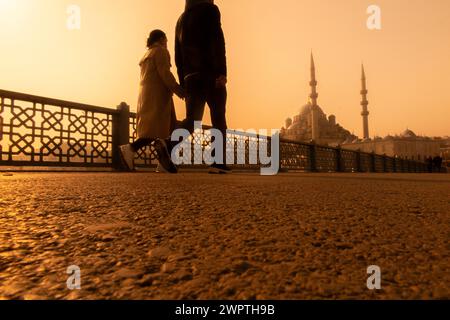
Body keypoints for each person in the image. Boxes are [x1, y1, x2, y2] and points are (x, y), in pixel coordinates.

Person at [175, 0, 231, 174]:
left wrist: (183, 80)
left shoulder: (181, 19)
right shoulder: (210, 10)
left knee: (192, 120)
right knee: (218, 119)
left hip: (191, 77)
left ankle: (169, 144)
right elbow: (217, 40)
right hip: (210, 75)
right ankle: (217, 162)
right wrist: (221, 71)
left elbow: (178, 54)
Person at [120, 30, 184, 173]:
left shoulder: (146, 55)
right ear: (161, 39)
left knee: (166, 129)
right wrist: (178, 89)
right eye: (166, 40)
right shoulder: (161, 51)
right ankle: (131, 148)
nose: (167, 43)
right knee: (157, 131)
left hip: (147, 95)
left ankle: (165, 163)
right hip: (159, 95)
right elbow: (165, 73)